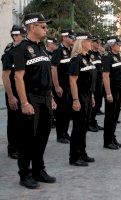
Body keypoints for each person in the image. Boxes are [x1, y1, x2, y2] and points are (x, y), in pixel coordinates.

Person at [14, 13, 56, 189]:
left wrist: (52, 98)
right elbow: (18, 77)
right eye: (43, 26)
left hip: (46, 98)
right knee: (28, 138)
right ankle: (25, 174)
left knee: (43, 136)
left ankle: (38, 170)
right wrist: (24, 103)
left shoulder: (42, 48)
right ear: (32, 27)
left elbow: (47, 74)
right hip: (32, 98)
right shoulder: (21, 48)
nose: (45, 29)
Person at [69, 32, 97, 166]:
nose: (91, 42)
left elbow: (89, 79)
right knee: (78, 127)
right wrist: (75, 100)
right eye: (89, 40)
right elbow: (73, 81)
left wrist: (91, 95)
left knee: (84, 126)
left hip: (87, 95)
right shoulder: (77, 59)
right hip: (79, 96)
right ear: (81, 42)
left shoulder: (87, 58)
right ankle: (74, 157)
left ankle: (82, 153)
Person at [1, 25, 26, 159]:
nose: (15, 37)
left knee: (24, 121)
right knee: (14, 121)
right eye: (13, 35)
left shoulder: (26, 50)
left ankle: (22, 146)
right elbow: (5, 76)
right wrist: (10, 97)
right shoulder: (10, 52)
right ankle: (13, 148)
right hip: (14, 93)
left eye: (18, 35)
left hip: (25, 91)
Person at [51, 29, 76, 143]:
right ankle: (60, 135)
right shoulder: (58, 50)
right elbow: (53, 68)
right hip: (61, 86)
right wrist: (56, 86)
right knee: (61, 112)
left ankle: (65, 133)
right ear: (64, 37)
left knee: (68, 112)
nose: (73, 39)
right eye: (71, 37)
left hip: (69, 86)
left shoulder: (72, 50)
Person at [102, 36, 121, 150]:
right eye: (118, 44)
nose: (120, 46)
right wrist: (108, 93)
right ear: (112, 45)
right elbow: (106, 76)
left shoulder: (117, 56)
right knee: (110, 116)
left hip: (120, 89)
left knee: (115, 116)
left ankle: (112, 137)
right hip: (112, 89)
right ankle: (107, 141)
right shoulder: (107, 57)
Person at [88, 35, 104, 132]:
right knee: (91, 104)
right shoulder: (89, 54)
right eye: (97, 42)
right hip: (91, 83)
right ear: (92, 43)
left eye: (100, 43)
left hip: (99, 82)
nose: (99, 44)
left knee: (97, 103)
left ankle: (93, 121)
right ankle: (89, 123)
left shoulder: (98, 54)